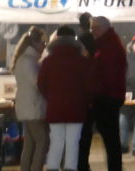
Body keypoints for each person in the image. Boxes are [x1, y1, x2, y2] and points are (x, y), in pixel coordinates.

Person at [39, 25, 90, 171]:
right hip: (77, 108)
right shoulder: (82, 60)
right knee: (73, 143)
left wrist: (51, 97)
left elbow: (41, 84)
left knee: (56, 142)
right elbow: (89, 84)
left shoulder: (48, 61)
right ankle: (70, 168)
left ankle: (53, 167)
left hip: (55, 108)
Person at [85, 16, 127, 171]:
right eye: (91, 27)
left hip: (106, 98)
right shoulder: (107, 44)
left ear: (103, 27)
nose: (92, 30)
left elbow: (109, 74)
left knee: (110, 139)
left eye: (95, 27)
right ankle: (115, 167)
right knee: (111, 139)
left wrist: (96, 93)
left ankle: (115, 167)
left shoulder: (108, 46)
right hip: (108, 96)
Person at [12, 26, 48, 171]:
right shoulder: (29, 61)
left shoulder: (24, 59)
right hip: (33, 108)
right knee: (42, 141)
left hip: (26, 107)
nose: (44, 46)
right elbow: (38, 84)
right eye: (43, 43)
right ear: (35, 43)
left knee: (30, 143)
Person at [76, 13, 98, 171]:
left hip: (78, 93)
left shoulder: (77, 42)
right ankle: (83, 163)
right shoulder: (94, 41)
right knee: (86, 132)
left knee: (79, 133)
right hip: (90, 92)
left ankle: (80, 163)